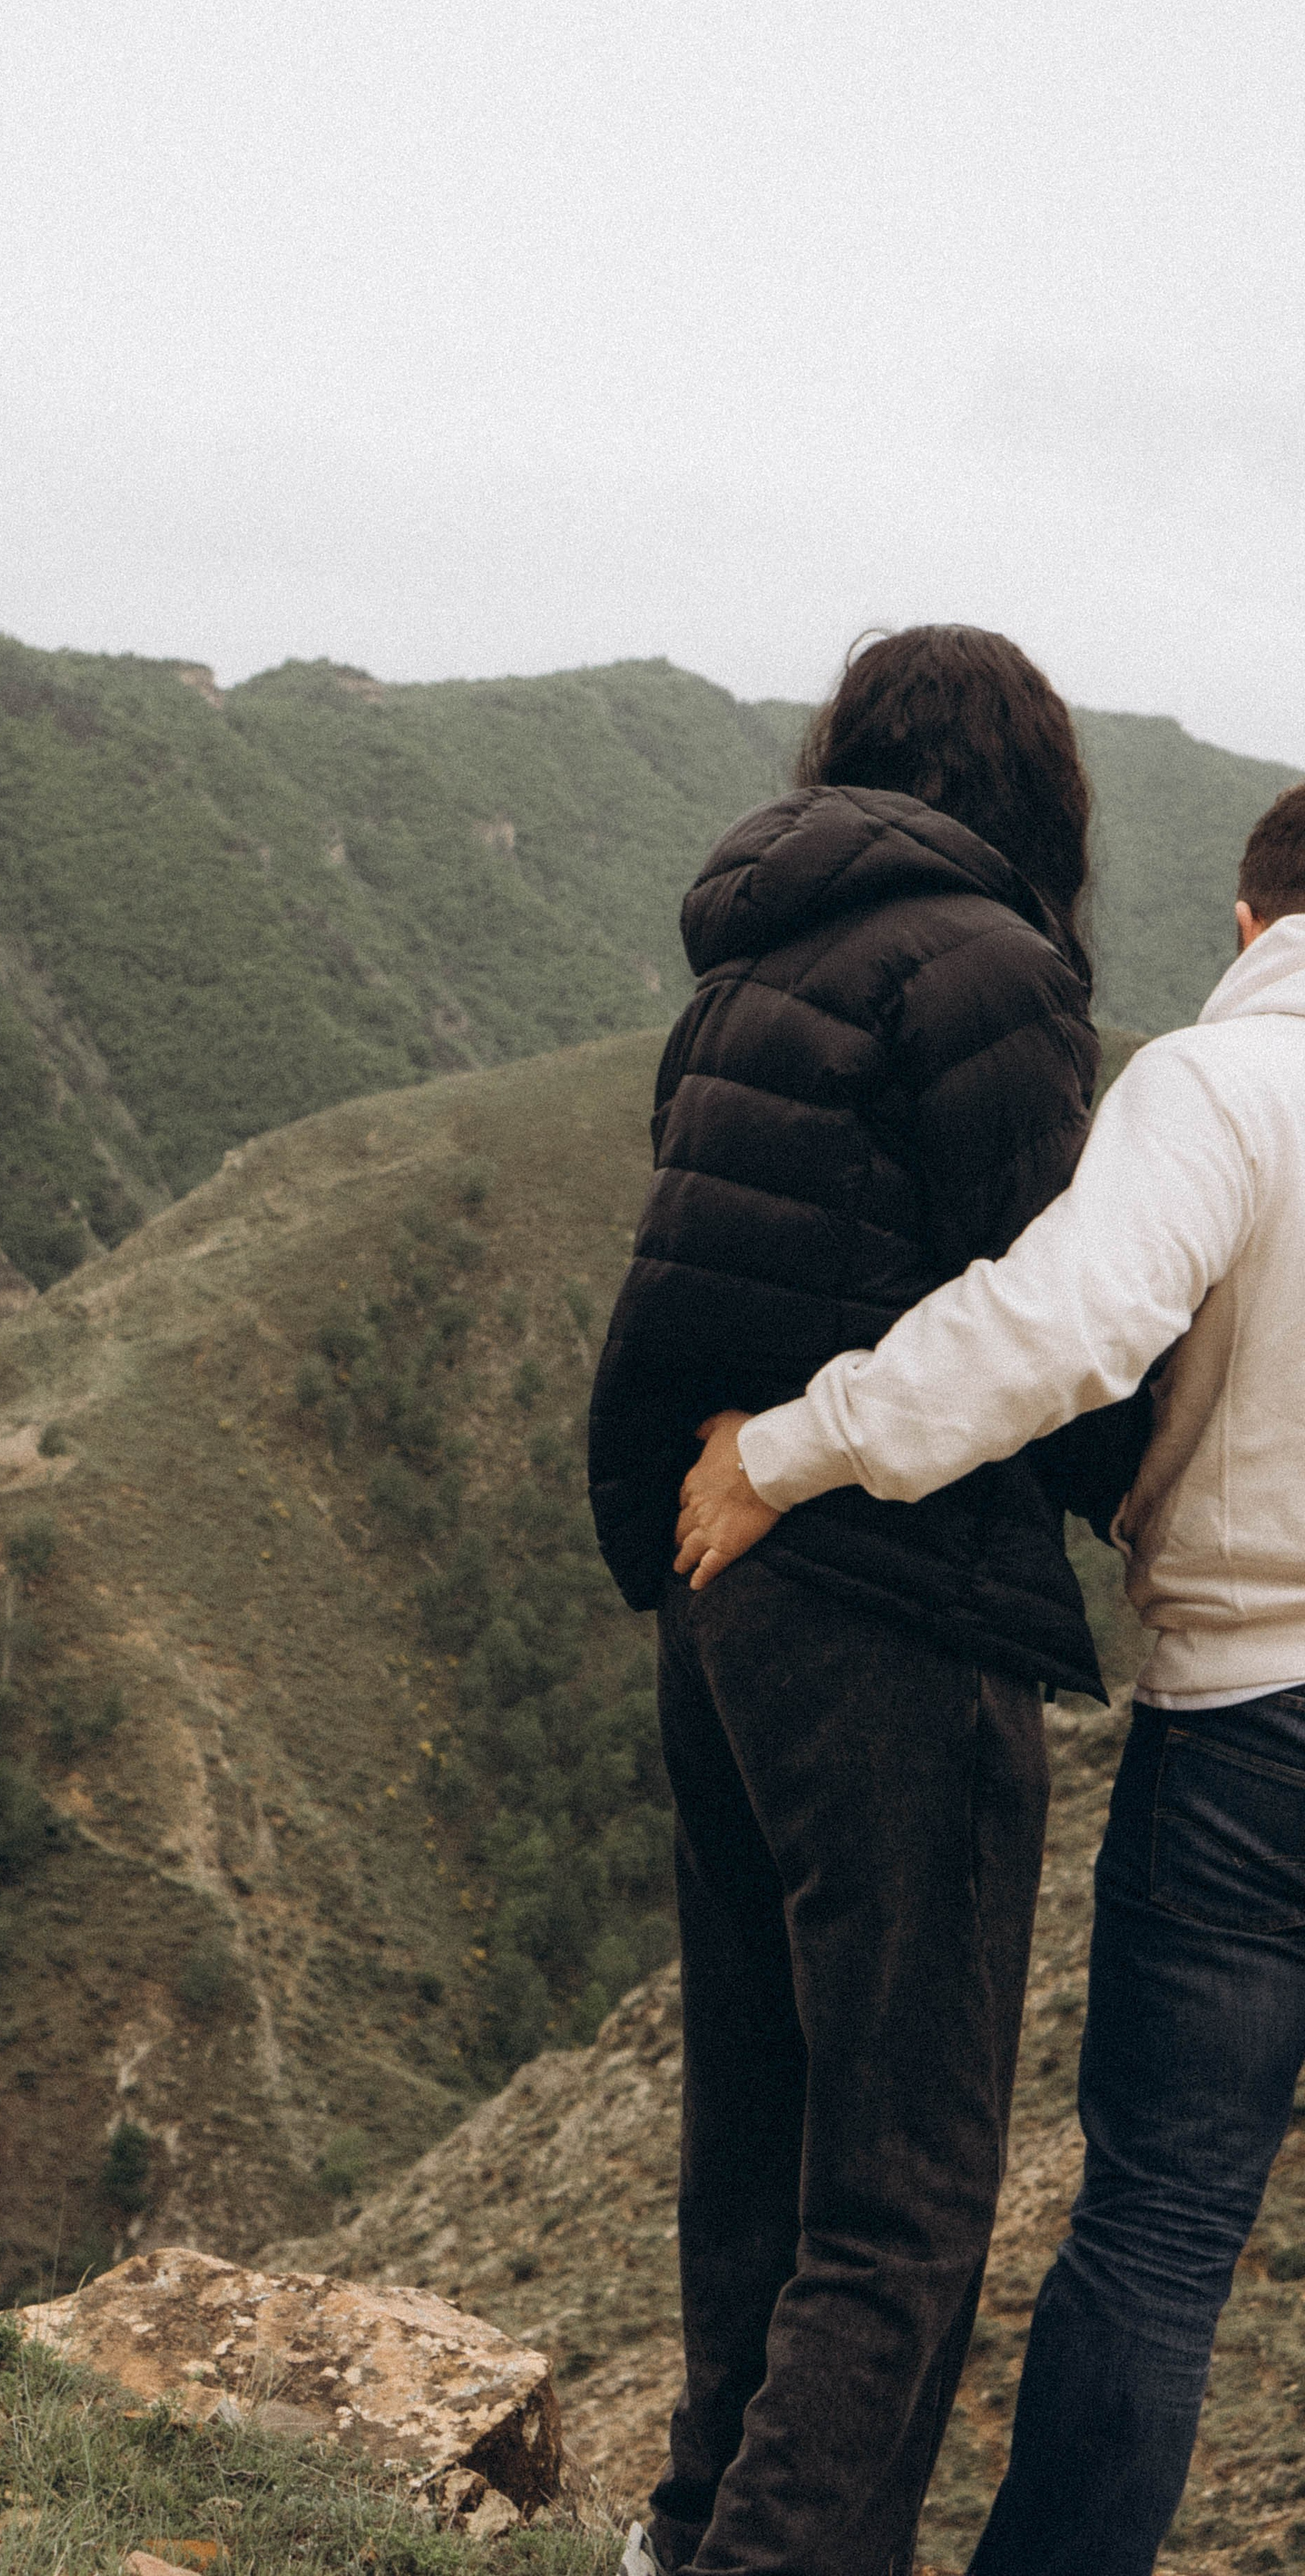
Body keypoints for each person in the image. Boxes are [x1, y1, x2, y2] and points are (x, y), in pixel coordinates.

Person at [674, 779, 1305, 2576]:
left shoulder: (1216, 1079)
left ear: (1249, 930)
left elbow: (1061, 1324)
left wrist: (790, 1447)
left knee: (1167, 2232)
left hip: (1252, 1724)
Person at [587, 626, 1143, 2576]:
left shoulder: (751, 961)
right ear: (1034, 788)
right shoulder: (990, 975)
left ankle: (685, 2530)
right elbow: (1050, 1327)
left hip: (717, 1588)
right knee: (904, 2194)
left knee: (754, 2133)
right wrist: (1174, 1506)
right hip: (896, 1616)